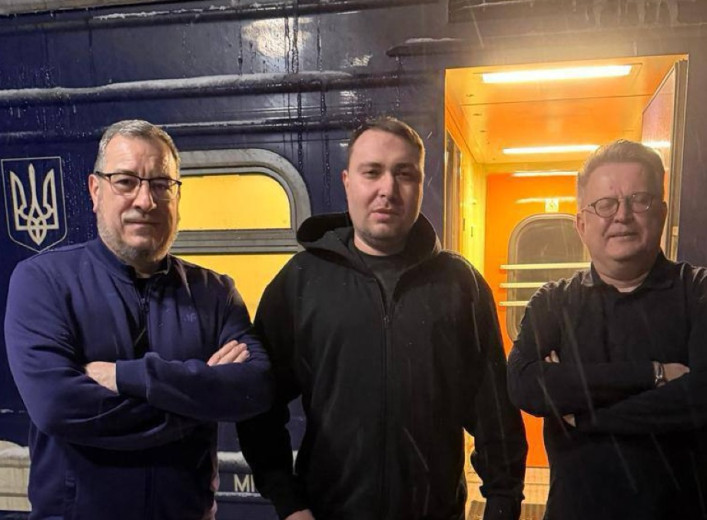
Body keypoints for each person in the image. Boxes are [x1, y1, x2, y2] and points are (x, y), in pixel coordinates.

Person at [237, 116, 527, 520]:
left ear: (420, 185)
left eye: (404, 174)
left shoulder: (460, 285)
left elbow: (495, 413)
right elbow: (258, 404)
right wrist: (289, 502)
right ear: (348, 182)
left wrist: (502, 504)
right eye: (371, 172)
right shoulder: (301, 282)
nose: (387, 189)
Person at [4, 119, 273, 519]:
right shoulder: (43, 282)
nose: (145, 200)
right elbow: (57, 407)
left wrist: (128, 377)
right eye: (126, 181)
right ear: (96, 190)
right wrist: (199, 402)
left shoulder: (215, 292)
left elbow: (255, 387)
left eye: (161, 184)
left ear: (177, 196)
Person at [507, 139, 707, 519]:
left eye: (640, 200)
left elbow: (700, 396)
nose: (622, 215)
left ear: (662, 213)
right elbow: (524, 384)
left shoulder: (698, 292)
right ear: (581, 224)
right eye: (605, 204)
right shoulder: (553, 301)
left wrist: (586, 415)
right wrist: (652, 375)